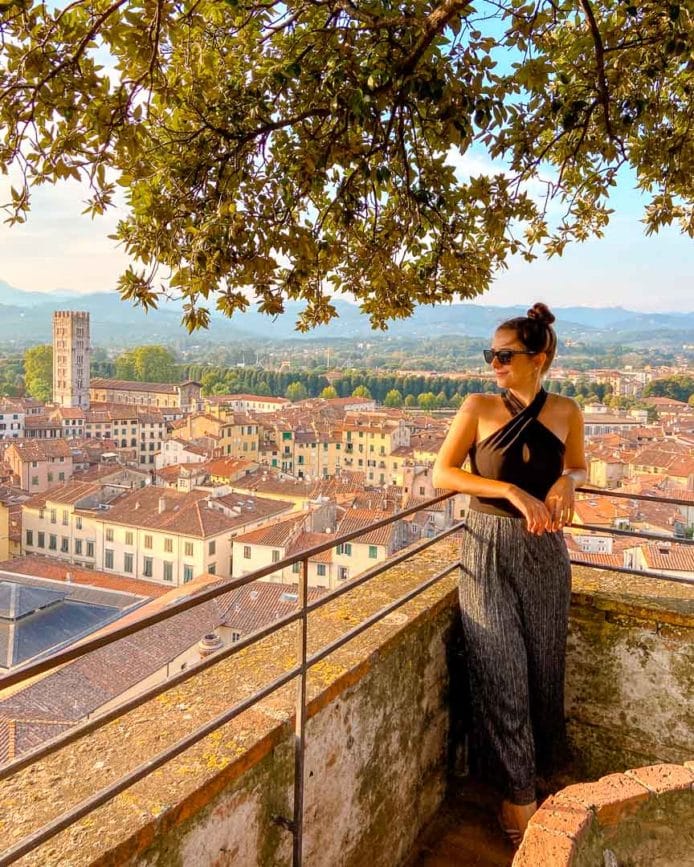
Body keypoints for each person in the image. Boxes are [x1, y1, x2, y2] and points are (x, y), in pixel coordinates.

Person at [432, 303, 587, 846]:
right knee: (501, 673)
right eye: (491, 354)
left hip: (546, 554)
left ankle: (535, 779)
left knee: (544, 674)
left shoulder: (567, 411)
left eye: (505, 355)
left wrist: (570, 479)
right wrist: (508, 489)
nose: (494, 363)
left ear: (539, 358)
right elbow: (441, 473)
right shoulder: (477, 406)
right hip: (485, 551)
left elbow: (576, 463)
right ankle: (518, 800)